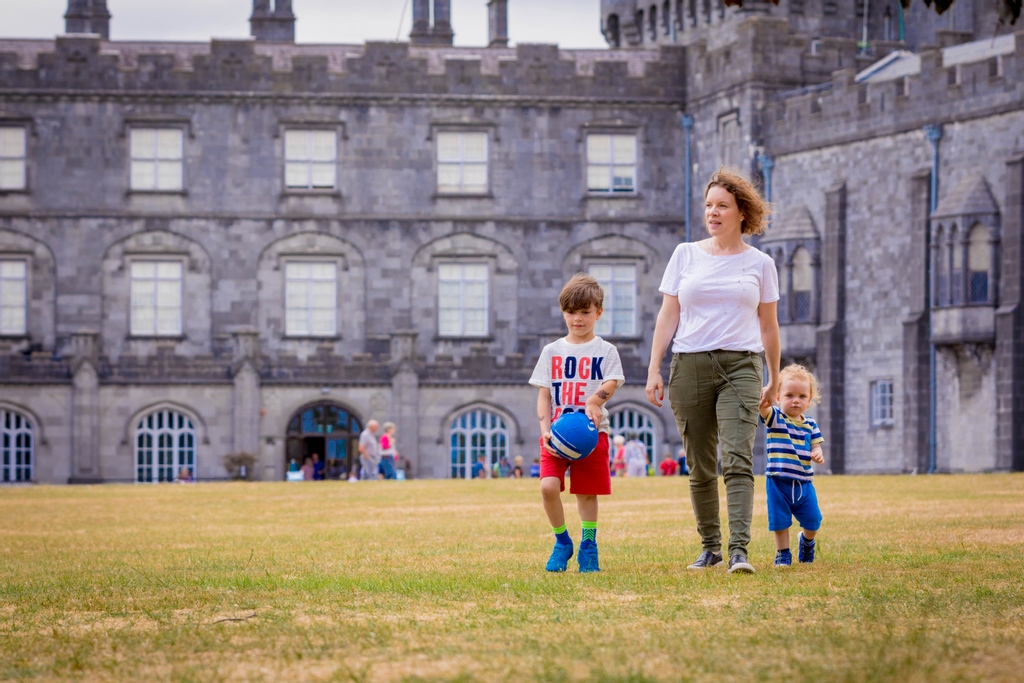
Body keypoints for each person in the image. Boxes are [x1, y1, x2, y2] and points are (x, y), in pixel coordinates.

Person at [646, 167, 780, 575]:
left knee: (738, 455)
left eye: (722, 205)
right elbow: (668, 315)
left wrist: (773, 378)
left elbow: (769, 325)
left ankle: (739, 550)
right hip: (689, 365)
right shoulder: (684, 254)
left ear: (742, 212)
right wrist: (654, 368)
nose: (713, 213)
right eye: (708, 206)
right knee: (700, 463)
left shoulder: (761, 263)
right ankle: (710, 548)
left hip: (742, 364)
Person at [530, 273, 625, 573]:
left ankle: (588, 545)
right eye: (571, 312)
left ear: (598, 312)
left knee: (586, 492)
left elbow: (613, 382)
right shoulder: (551, 351)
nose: (578, 319)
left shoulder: (606, 351)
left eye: (585, 312)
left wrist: (594, 401)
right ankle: (562, 542)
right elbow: (544, 396)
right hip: (557, 433)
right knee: (548, 487)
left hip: (592, 434)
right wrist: (545, 431)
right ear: (563, 312)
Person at [761, 364, 825, 567]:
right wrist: (767, 393)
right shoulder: (776, 418)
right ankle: (783, 553)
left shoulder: (811, 424)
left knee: (813, 520)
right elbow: (763, 408)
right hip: (778, 481)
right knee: (780, 521)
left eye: (802, 396)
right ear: (778, 397)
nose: (796, 400)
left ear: (810, 398)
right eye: (789, 395)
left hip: (803, 482)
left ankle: (806, 541)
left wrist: (817, 452)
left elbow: (816, 444)